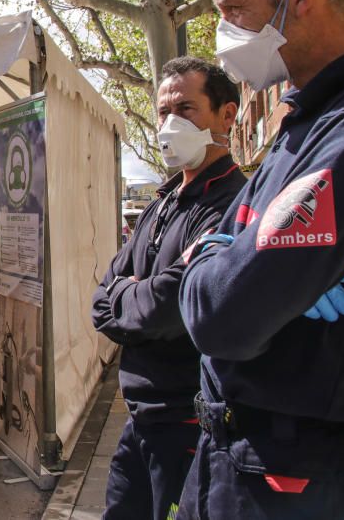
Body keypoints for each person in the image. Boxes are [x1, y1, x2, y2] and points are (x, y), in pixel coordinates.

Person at [178, 0, 344, 520]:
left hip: (300, 476)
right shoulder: (313, 114)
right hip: (253, 457)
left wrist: (203, 267)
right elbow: (237, 244)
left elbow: (224, 314)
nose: (223, 32)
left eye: (233, 8)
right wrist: (234, 255)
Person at [91, 57, 246, 520]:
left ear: (227, 115)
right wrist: (134, 294)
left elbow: (170, 306)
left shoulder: (233, 204)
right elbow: (102, 300)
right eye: (163, 112)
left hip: (190, 425)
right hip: (138, 419)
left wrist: (135, 294)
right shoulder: (163, 202)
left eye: (186, 108)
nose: (169, 123)